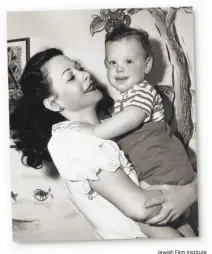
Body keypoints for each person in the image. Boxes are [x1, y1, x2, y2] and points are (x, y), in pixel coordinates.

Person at [10, 48, 197, 239]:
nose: (85, 75)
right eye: (71, 77)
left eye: (79, 68)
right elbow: (141, 208)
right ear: (54, 104)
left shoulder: (111, 125)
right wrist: (190, 192)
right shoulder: (69, 141)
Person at [70, 26, 196, 237]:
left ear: (147, 65)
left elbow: (132, 118)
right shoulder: (123, 101)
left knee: (146, 217)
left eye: (128, 61)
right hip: (160, 171)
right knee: (180, 225)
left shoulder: (142, 91)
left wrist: (92, 131)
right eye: (113, 62)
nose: (120, 69)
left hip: (164, 170)